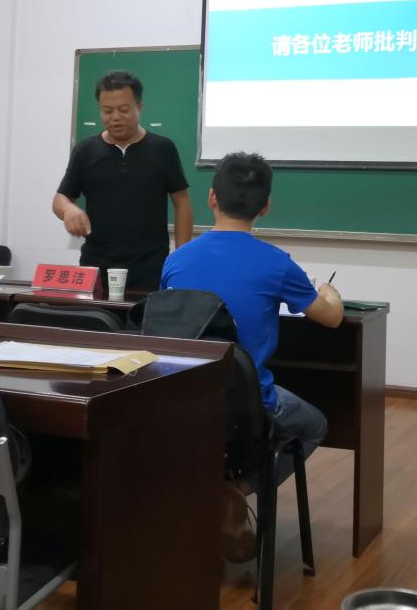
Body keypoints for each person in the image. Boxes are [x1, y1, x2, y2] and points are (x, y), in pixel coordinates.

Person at [160, 152, 343, 557]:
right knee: (315, 425)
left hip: (183, 400)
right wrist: (329, 292)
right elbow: (330, 318)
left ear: (211, 198)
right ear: (265, 207)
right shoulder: (276, 264)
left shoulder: (176, 259)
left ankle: (212, 490)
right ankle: (239, 489)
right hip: (248, 405)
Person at [52, 70, 193, 291]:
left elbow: (182, 203)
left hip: (150, 268)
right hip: (96, 268)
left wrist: (181, 258)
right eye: (107, 110)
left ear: (139, 107)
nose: (115, 117)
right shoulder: (85, 151)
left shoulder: (162, 149)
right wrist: (68, 209)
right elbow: (60, 199)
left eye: (124, 109)